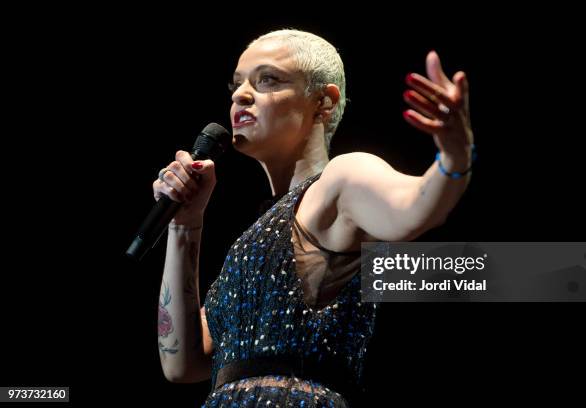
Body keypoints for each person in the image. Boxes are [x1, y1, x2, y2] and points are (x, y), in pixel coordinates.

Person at [153, 28, 474, 407]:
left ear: (323, 101)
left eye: (267, 80)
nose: (240, 94)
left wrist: (454, 158)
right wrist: (184, 223)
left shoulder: (343, 178)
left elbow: (415, 208)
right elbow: (180, 364)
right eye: (237, 84)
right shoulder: (251, 241)